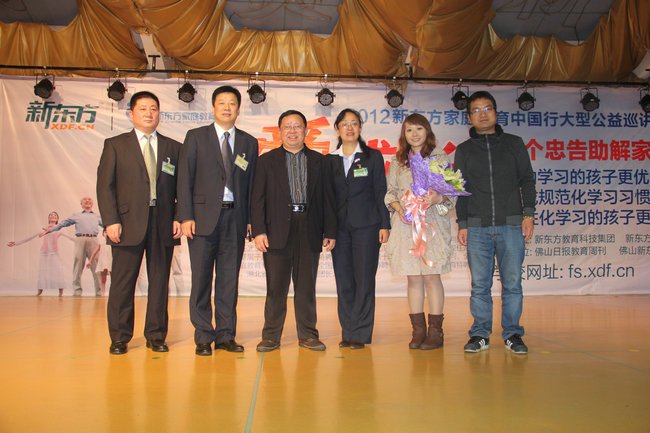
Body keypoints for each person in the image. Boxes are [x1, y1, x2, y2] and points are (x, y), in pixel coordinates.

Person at [96, 91, 182, 355]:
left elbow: (182, 188)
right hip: (126, 224)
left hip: (163, 223)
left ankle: (156, 335)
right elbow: (105, 186)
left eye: (153, 108)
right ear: (131, 113)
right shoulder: (115, 145)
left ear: (159, 114)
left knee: (159, 282)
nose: (149, 113)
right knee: (123, 283)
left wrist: (178, 217)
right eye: (143, 108)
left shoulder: (173, 147)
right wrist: (111, 220)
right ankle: (119, 337)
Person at [177, 85, 258, 356]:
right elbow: (184, 178)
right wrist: (186, 215)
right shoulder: (196, 137)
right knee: (201, 280)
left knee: (228, 280)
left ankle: (225, 335)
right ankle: (203, 335)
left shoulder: (248, 142)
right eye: (222, 102)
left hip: (235, 219)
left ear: (238, 109)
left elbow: (251, 186)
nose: (227, 107)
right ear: (213, 107)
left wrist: (251, 220)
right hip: (201, 220)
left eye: (232, 103)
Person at [454, 90, 536, 354]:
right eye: (476, 110)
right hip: (477, 227)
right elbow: (460, 188)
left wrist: (528, 214)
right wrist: (463, 223)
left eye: (487, 108)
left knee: (512, 283)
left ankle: (513, 334)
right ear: (469, 117)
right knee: (480, 285)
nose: (482, 114)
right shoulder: (464, 150)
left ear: (496, 112)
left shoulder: (514, 143)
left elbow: (527, 180)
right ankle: (480, 334)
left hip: (511, 224)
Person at [251, 109, 336, 352]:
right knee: (275, 287)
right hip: (276, 229)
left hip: (310, 227)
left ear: (306, 131)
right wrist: (259, 230)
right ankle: (270, 336)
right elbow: (257, 199)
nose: (292, 131)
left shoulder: (320, 161)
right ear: (279, 132)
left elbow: (328, 199)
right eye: (287, 126)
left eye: (297, 126)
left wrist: (330, 230)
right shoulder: (266, 161)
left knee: (306, 287)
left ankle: (308, 335)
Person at [385, 113, 456, 350]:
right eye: (409, 130)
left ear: (427, 131)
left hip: (432, 224)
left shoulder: (440, 158)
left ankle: (436, 332)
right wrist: (399, 210)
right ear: (403, 134)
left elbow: (451, 194)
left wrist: (437, 197)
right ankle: (418, 331)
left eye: (419, 129)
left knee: (431, 276)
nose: (414, 134)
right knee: (413, 278)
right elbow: (390, 192)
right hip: (406, 226)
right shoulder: (398, 162)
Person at [327, 108, 390, 350]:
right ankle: (348, 331)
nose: (349, 128)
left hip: (367, 226)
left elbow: (380, 191)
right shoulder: (329, 160)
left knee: (364, 280)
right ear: (337, 129)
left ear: (361, 128)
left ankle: (360, 333)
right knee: (344, 280)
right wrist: (327, 230)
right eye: (344, 124)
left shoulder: (373, 156)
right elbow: (326, 198)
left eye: (354, 123)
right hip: (339, 230)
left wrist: (384, 224)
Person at [43, 197, 103, 296]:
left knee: (96, 267)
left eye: (89, 200)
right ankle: (77, 291)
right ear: (81, 204)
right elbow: (63, 223)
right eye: (84, 200)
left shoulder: (97, 217)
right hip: (80, 239)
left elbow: (107, 226)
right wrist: (51, 230)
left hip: (94, 240)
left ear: (92, 203)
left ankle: (99, 292)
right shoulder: (77, 215)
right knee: (78, 266)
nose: (87, 201)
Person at [8, 211, 72, 296]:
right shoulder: (43, 229)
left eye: (55, 215)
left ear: (57, 219)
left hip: (54, 253)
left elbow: (70, 237)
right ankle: (40, 291)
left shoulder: (59, 229)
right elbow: (29, 237)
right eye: (51, 215)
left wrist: (81, 241)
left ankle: (60, 291)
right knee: (43, 272)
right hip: (44, 253)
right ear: (48, 218)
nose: (53, 216)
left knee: (57, 271)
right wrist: (16, 243)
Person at [88, 231, 112, 296]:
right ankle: (103, 293)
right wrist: (90, 262)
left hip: (111, 260)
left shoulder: (113, 242)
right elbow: (94, 252)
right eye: (105, 232)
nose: (106, 234)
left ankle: (113, 292)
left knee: (114, 278)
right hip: (103, 261)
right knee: (103, 278)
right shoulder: (101, 243)